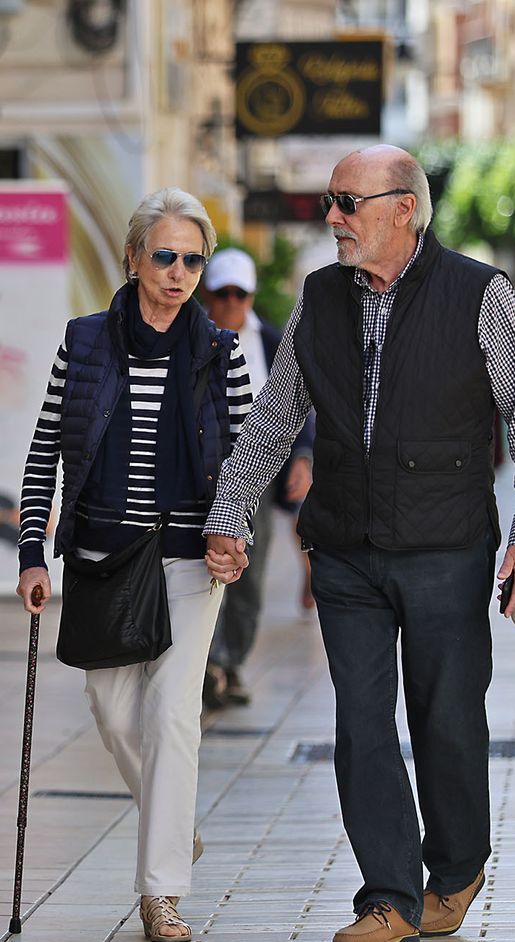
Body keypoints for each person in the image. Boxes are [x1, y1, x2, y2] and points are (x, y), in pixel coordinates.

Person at [204, 146, 515, 942]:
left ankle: (458, 864)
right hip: (345, 550)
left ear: (404, 208)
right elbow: (271, 420)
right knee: (362, 722)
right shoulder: (320, 297)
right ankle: (390, 896)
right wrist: (231, 507)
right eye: (331, 202)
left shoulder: (480, 293)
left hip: (446, 547)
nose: (332, 217)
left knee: (446, 718)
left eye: (347, 202)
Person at [16, 188, 252, 942]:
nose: (181, 272)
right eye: (166, 256)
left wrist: (232, 529)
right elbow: (46, 449)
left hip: (190, 558)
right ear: (132, 258)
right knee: (114, 714)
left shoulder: (220, 351)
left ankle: (162, 892)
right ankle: (171, 822)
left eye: (194, 259)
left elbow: (248, 457)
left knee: (171, 713)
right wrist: (30, 552)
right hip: (102, 558)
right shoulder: (83, 342)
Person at [198, 249, 314, 708]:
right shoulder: (193, 338)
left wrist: (303, 457)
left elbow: (298, 404)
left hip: (257, 478)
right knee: (202, 573)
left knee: (248, 573)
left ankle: (231, 662)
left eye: (239, 294)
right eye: (222, 293)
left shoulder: (271, 340)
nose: (230, 302)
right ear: (208, 294)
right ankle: (205, 662)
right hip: (202, 476)